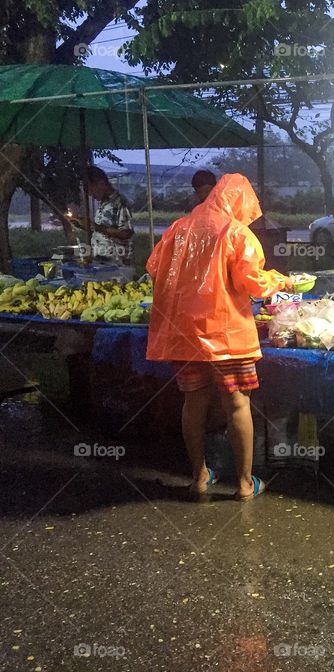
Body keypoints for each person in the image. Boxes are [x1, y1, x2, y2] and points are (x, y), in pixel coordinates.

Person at [146, 173, 292, 500]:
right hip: (227, 337)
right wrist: (279, 281)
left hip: (184, 336)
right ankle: (243, 484)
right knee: (237, 403)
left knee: (193, 401)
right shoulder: (234, 232)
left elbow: (154, 267)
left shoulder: (177, 229)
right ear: (238, 201)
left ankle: (199, 476)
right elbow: (253, 284)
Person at [74, 166, 134, 262]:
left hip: (116, 264)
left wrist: (95, 226)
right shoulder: (103, 204)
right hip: (101, 261)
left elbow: (126, 233)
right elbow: (102, 230)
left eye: (90, 189)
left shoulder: (120, 202)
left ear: (101, 183)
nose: (90, 194)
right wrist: (82, 224)